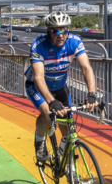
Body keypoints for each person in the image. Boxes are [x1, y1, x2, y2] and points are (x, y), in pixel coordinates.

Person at [26, 11, 101, 161]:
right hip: (37, 87)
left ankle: (67, 164)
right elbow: (39, 77)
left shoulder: (74, 41)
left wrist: (92, 93)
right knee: (48, 115)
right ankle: (39, 142)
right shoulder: (39, 45)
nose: (61, 35)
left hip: (60, 87)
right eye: (56, 31)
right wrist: (51, 101)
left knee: (68, 126)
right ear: (48, 31)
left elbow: (86, 68)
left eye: (64, 30)